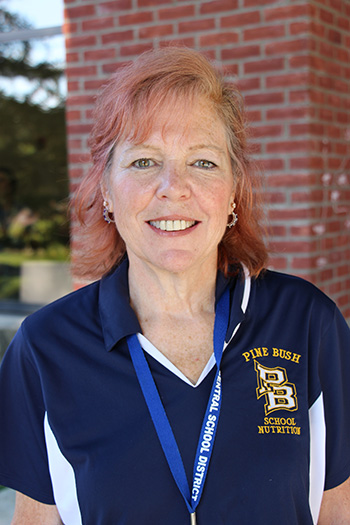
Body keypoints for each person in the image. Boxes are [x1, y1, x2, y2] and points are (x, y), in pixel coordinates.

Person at [0, 47, 349, 525]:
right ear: (105, 190)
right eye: (144, 161)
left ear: (233, 193)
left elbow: (338, 511)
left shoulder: (308, 323)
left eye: (202, 163)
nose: (174, 187)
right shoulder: (45, 349)